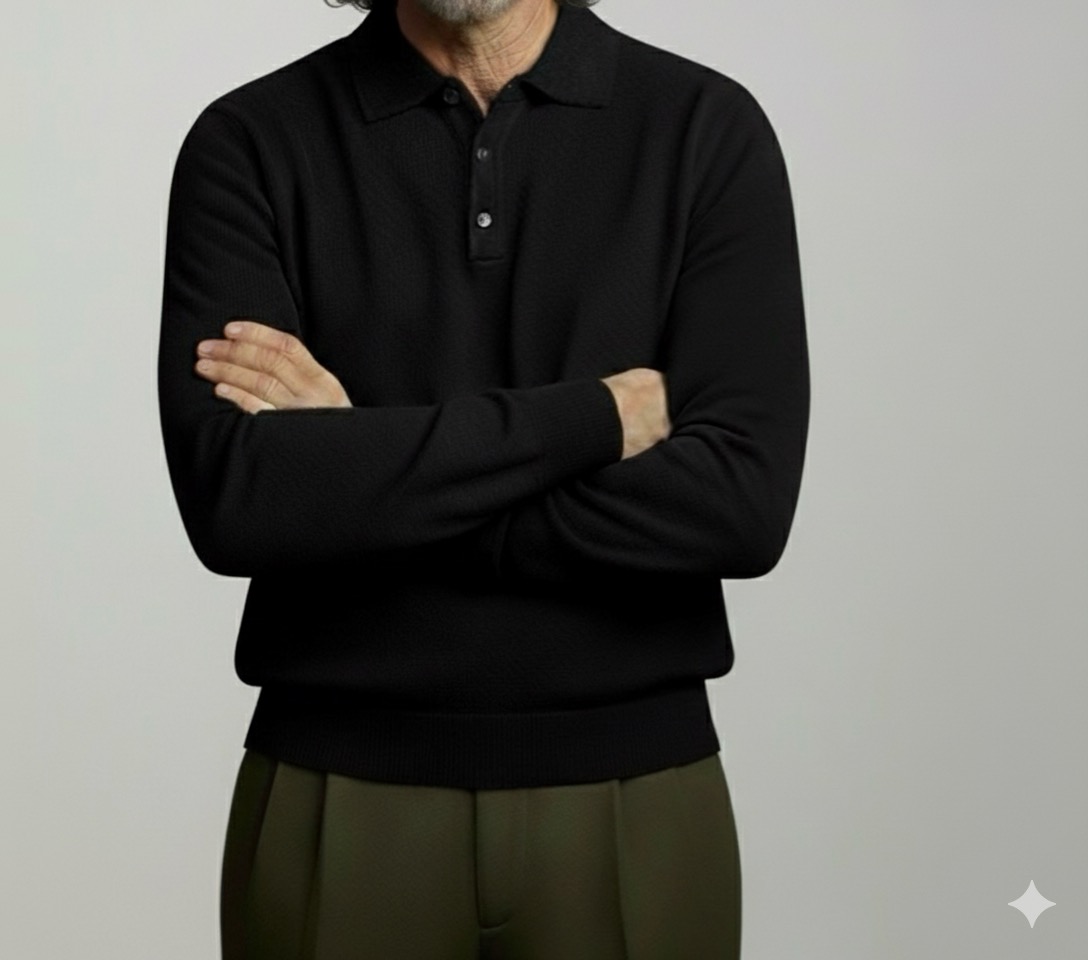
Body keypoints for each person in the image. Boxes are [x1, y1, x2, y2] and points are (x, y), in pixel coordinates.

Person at [157, 0, 810, 955]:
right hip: (335, 787)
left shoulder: (704, 128)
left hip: (638, 791)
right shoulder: (251, 141)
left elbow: (739, 508)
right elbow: (241, 504)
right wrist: (590, 420)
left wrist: (361, 461)